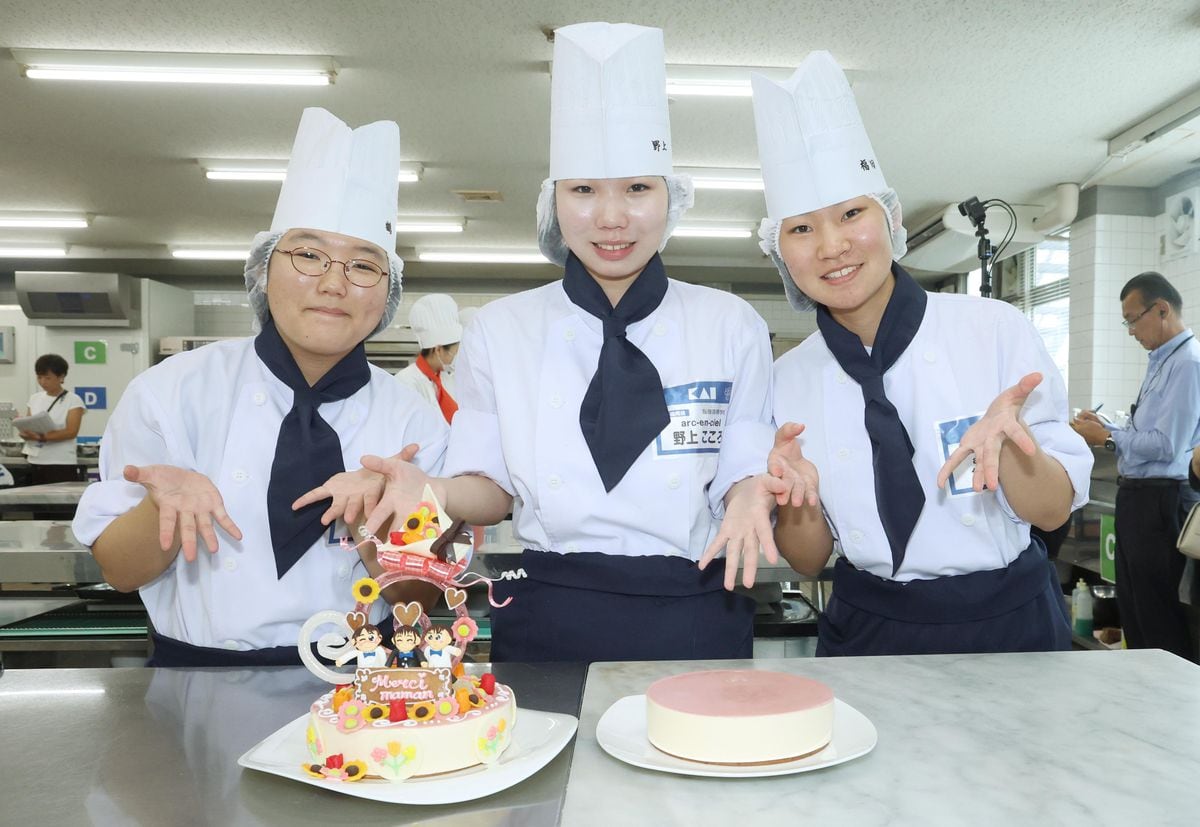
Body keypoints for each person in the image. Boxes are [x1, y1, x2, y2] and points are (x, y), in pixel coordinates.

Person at [360, 22, 778, 663]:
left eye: (638, 187)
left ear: (672, 197)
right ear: (553, 201)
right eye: (583, 189)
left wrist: (753, 493)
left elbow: (742, 471)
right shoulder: (501, 329)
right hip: (550, 607)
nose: (611, 217)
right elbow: (492, 490)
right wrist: (433, 491)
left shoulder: (731, 324)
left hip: (696, 605)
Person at [738, 51, 1092, 656]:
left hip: (1010, 624)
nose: (832, 246)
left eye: (852, 214)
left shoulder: (994, 330)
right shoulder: (787, 378)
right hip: (870, 626)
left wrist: (1008, 449)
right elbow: (808, 558)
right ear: (781, 254)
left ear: (891, 218)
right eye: (801, 229)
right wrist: (797, 496)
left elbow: (1054, 512)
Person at [72, 108, 448, 666]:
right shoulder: (169, 395)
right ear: (263, 269)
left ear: (387, 295)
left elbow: (421, 600)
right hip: (197, 683)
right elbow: (119, 573)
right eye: (308, 254)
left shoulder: (414, 424)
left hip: (368, 689)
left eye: (364, 266)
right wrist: (162, 510)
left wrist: (375, 522)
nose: (332, 282)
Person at [1071, 271, 1200, 661]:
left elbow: (1166, 446)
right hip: (1138, 500)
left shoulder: (1187, 364)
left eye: (1132, 319)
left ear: (1161, 309)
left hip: (1161, 502)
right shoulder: (1161, 361)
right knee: (1136, 614)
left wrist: (1108, 439)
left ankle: (1168, 713)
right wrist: (1107, 427)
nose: (1129, 330)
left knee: (1158, 617)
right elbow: (1145, 429)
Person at [393, 294, 463, 423]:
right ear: (438, 350)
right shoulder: (406, 382)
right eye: (454, 352)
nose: (455, 358)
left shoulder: (446, 379)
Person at [19, 353, 85, 484]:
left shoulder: (73, 400)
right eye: (39, 377)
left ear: (61, 377)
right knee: (34, 502)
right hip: (35, 460)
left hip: (60, 462)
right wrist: (25, 433)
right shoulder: (35, 398)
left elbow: (71, 432)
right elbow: (28, 424)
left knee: (60, 504)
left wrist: (41, 437)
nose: (43, 382)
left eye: (48, 378)